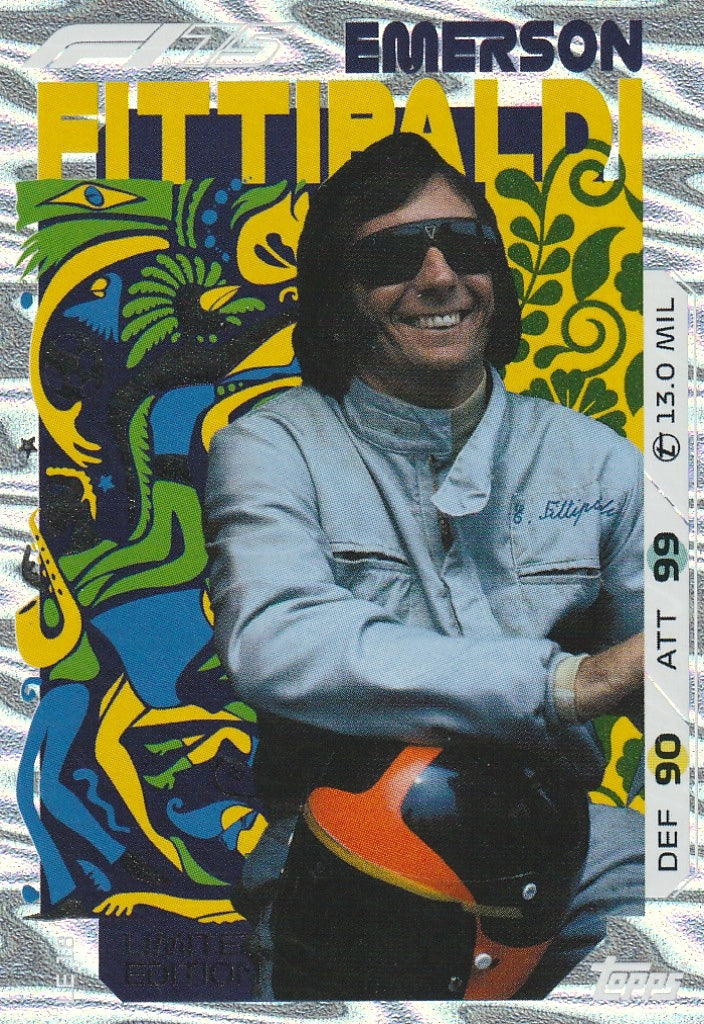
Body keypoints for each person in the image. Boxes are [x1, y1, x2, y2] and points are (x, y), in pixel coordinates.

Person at [204, 132, 644, 1000]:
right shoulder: (269, 446)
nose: (440, 277)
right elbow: (276, 638)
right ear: (339, 292)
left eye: (465, 246)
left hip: (568, 841)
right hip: (347, 846)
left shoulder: (600, 461)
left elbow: (674, 677)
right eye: (394, 256)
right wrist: (566, 683)